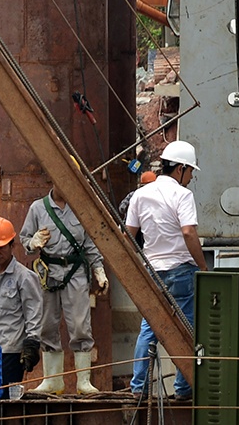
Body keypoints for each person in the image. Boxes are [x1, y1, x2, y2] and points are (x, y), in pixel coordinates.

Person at [125, 140, 206, 402]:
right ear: (180, 168)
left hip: (153, 272)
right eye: (191, 171)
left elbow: (129, 235)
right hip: (182, 270)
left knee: (149, 328)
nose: (191, 177)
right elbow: (188, 231)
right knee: (187, 329)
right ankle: (184, 389)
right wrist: (202, 266)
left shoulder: (141, 194)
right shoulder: (183, 195)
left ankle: (139, 387)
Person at [21, 184, 110, 394]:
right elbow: (24, 239)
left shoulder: (81, 208)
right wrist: (32, 243)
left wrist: (98, 270)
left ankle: (83, 382)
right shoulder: (38, 208)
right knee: (46, 325)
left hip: (75, 272)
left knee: (80, 325)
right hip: (48, 272)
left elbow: (90, 243)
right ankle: (53, 381)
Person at [0, 217, 44, 393]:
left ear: (12, 246)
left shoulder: (25, 277)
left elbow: (34, 314)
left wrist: (32, 343)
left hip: (12, 352)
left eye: (0, 248)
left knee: (6, 400)